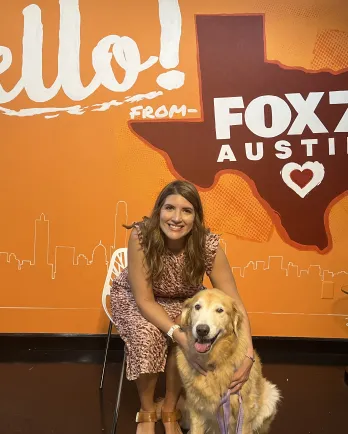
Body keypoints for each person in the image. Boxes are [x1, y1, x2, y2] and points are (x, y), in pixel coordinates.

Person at [110, 180, 255, 434]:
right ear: (158, 211)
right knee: (148, 335)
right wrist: (177, 332)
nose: (176, 218)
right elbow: (145, 301)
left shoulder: (208, 246)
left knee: (191, 331)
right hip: (139, 299)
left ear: (196, 217)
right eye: (169, 208)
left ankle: (169, 408)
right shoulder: (141, 236)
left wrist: (249, 353)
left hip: (182, 299)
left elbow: (234, 303)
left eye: (186, 211)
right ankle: (146, 411)